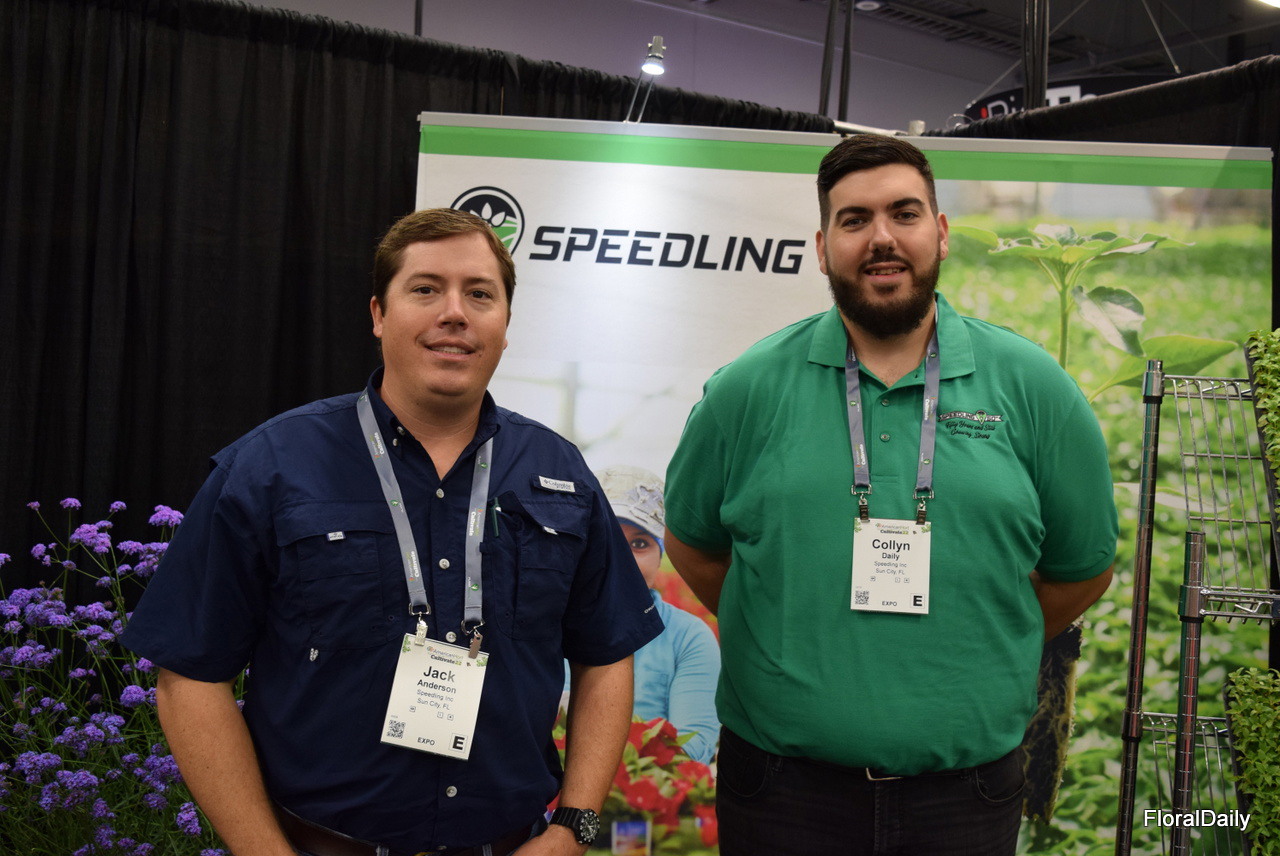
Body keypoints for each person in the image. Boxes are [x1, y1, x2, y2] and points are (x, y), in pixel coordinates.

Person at [121, 208, 664, 856]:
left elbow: (606, 654)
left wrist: (575, 827)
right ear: (379, 314)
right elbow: (188, 676)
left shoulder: (561, 472)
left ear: (505, 324)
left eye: (480, 294)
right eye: (426, 289)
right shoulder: (271, 467)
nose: (455, 313)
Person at [661, 134, 1118, 855]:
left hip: (966, 797)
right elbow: (692, 545)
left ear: (941, 232)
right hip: (782, 795)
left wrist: (985, 638)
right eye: (854, 220)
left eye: (905, 214)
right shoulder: (745, 390)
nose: (882, 238)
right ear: (822, 248)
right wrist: (781, 625)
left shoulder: (1036, 389)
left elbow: (1083, 568)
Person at [596, 466, 720, 764]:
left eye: (640, 544)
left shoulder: (688, 636)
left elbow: (695, 742)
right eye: (607, 539)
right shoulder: (546, 625)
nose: (623, 559)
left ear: (660, 554)